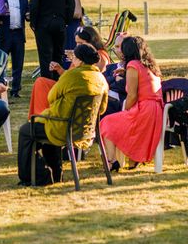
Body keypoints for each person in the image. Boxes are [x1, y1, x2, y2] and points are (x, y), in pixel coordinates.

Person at [17, 44, 108, 186]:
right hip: (85, 130)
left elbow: (51, 96)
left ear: (80, 61)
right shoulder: (101, 79)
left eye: (74, 59)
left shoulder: (72, 75)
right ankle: (56, 174)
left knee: (25, 132)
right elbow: (101, 109)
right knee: (47, 129)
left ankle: (37, 176)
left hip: (62, 127)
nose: (73, 62)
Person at [100, 36, 164, 171]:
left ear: (126, 51)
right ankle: (132, 159)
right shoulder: (149, 64)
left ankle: (112, 161)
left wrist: (126, 110)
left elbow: (132, 95)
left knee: (106, 122)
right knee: (115, 121)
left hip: (144, 110)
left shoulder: (133, 65)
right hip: (156, 110)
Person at [28, 26, 111, 118]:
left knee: (43, 85)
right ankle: (39, 116)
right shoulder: (79, 54)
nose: (77, 46)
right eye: (76, 43)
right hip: (70, 86)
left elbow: (92, 73)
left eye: (81, 43)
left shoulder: (99, 55)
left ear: (91, 42)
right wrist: (60, 69)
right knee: (41, 82)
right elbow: (69, 76)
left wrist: (79, 60)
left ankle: (41, 119)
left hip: (79, 92)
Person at [29, 0, 75, 80]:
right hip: (59, 22)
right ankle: (58, 82)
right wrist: (66, 20)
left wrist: (33, 22)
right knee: (58, 55)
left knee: (45, 56)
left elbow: (34, 4)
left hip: (43, 23)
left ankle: (46, 85)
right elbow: (70, 3)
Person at [0, 0, 29, 98]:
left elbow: (27, 14)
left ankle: (15, 90)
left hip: (18, 34)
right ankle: (1, 88)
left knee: (18, 63)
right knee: (1, 63)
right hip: (4, 33)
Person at [102, 32, 129, 117]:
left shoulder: (134, 67)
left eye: (122, 46)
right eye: (117, 46)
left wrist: (111, 81)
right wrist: (115, 79)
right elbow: (102, 83)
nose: (119, 50)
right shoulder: (109, 67)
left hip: (120, 107)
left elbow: (125, 88)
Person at [61, 0, 83, 66]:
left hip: (71, 27)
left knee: (70, 52)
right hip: (65, 27)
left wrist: (61, 14)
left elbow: (78, 13)